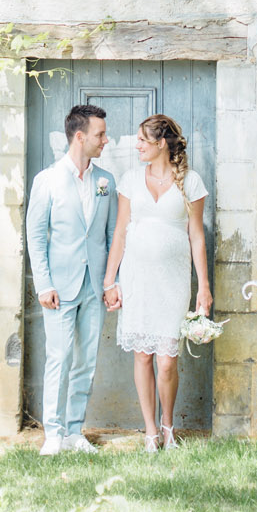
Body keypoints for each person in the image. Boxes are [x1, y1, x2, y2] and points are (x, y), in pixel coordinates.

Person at [102, 113, 211, 451]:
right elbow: (120, 232)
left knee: (166, 361)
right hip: (137, 278)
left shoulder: (190, 182)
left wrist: (204, 287)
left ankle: (168, 425)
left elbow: (196, 236)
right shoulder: (131, 180)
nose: (137, 146)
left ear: (161, 143)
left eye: (143, 141)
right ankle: (150, 432)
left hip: (173, 281)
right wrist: (110, 281)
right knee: (143, 357)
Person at [24, 102, 117, 455]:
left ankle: (75, 431)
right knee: (59, 358)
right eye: (101, 134)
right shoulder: (46, 181)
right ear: (80, 137)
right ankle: (53, 433)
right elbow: (35, 235)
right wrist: (43, 284)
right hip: (59, 288)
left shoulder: (106, 182)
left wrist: (111, 283)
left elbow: (109, 238)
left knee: (86, 361)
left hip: (94, 286)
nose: (106, 140)